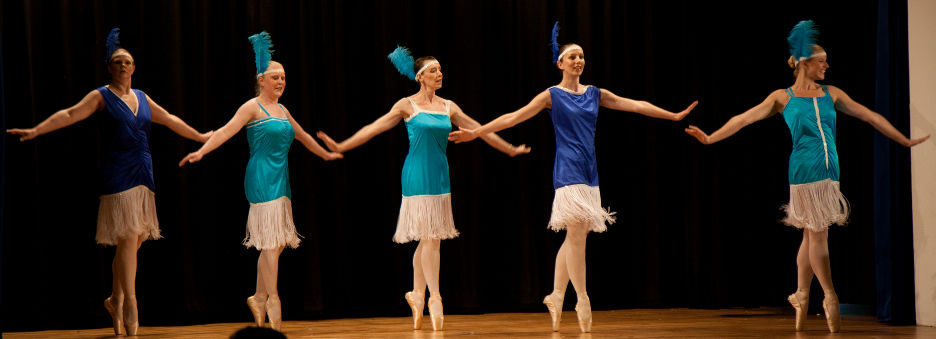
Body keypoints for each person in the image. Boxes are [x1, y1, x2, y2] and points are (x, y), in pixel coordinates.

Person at [448, 22, 696, 333]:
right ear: (560, 63)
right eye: (572, 56)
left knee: (574, 236)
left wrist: (671, 115)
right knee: (578, 236)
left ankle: (555, 295)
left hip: (590, 173)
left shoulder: (595, 93)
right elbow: (513, 116)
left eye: (582, 56)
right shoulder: (552, 95)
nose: (578, 60)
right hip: (567, 171)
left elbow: (635, 105)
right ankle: (582, 298)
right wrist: (477, 132)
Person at [683, 20, 929, 333]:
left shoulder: (833, 93)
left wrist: (903, 140)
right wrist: (710, 138)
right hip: (804, 173)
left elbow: (871, 116)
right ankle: (829, 295)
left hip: (830, 173)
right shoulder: (781, 98)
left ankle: (800, 294)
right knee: (818, 233)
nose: (827, 65)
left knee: (810, 235)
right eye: (821, 61)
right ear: (804, 63)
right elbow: (742, 119)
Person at [6, 28, 212, 336]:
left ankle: (114, 298)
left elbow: (168, 118)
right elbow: (70, 114)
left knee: (135, 239)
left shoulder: (142, 97)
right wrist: (36, 130)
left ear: (134, 67)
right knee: (128, 237)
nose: (123, 66)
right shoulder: (101, 95)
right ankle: (130, 301)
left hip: (144, 172)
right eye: (117, 62)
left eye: (127, 62)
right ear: (109, 67)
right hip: (119, 172)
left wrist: (199, 136)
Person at [316, 45, 530, 331]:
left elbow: (479, 129)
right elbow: (375, 127)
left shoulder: (449, 106)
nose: (439, 74)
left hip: (441, 176)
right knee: (430, 238)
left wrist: (509, 149)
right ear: (420, 77)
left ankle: (417, 294)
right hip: (416, 176)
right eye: (433, 70)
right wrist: (343, 145)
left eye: (440, 69)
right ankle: (435, 299)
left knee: (431, 239)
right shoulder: (407, 105)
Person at [179, 31, 342, 331]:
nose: (280, 81)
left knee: (275, 243)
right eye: (275, 77)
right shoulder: (252, 107)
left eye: (283, 77)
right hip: (261, 177)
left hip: (282, 179)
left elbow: (304, 136)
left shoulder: (283, 110)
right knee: (270, 242)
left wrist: (326, 155)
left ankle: (257, 296)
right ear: (261, 79)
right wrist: (201, 151)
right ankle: (272, 301)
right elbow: (226, 131)